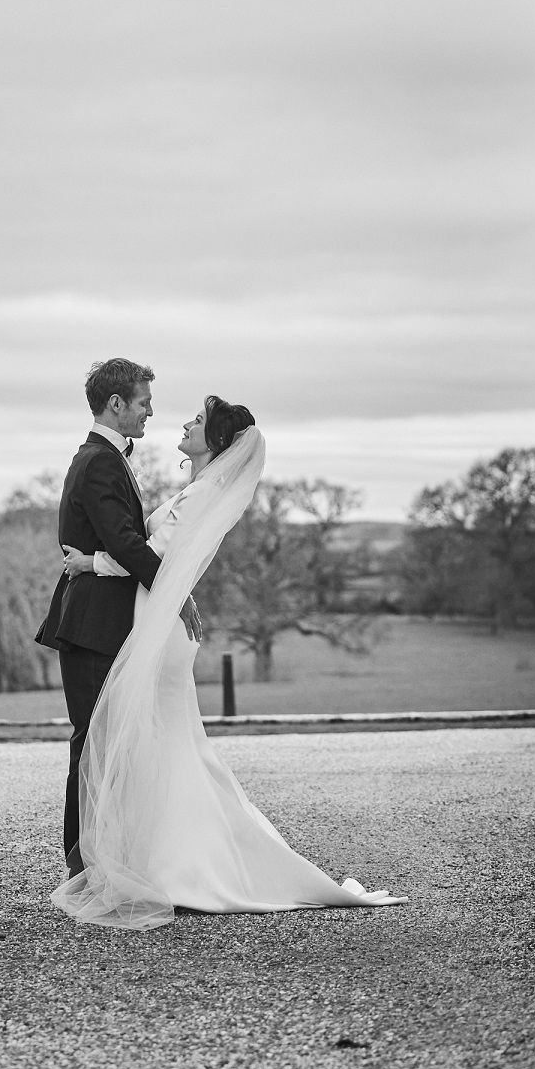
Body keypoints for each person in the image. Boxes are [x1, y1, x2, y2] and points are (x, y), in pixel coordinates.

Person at [49, 393, 405, 929]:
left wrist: (91, 560)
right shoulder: (197, 490)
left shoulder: (201, 495)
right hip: (153, 619)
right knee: (165, 745)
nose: (183, 422)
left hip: (158, 628)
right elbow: (154, 556)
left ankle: (178, 868)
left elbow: (154, 558)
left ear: (215, 441)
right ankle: (158, 860)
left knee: (163, 742)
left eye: (196, 421)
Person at [35, 358, 199, 874]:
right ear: (116, 404)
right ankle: (81, 864)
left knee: (108, 743)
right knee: (92, 744)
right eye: (144, 402)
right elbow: (124, 541)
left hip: (105, 622)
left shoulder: (104, 457)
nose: (151, 412)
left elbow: (120, 543)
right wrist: (174, 592)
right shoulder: (101, 460)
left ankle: (103, 857)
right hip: (92, 626)